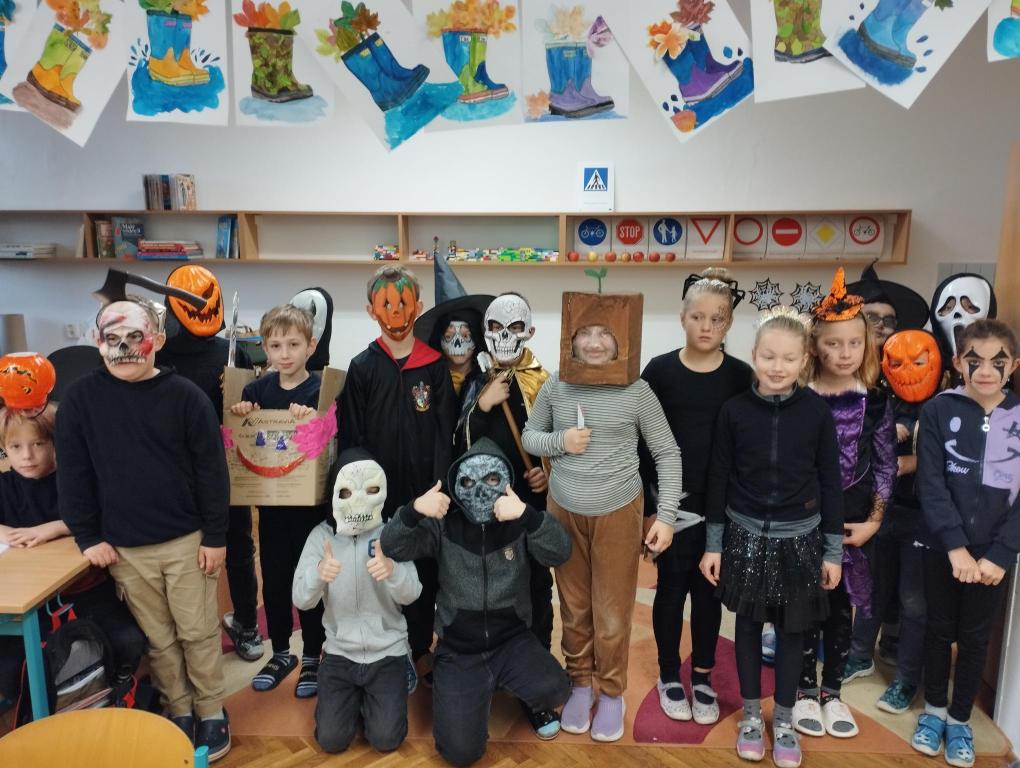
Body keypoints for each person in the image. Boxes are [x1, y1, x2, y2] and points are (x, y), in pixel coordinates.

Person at [57, 294, 231, 760]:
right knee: (159, 638)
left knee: (197, 631)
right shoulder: (80, 402)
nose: (124, 348)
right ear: (96, 341)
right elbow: (73, 475)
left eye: (135, 336)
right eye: (112, 338)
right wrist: (87, 536)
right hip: (125, 549)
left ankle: (210, 708)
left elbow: (213, 473)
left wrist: (216, 536)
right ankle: (179, 707)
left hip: (187, 542)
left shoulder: (186, 398)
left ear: (156, 339)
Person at [522, 291, 682, 743]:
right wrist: (562, 443)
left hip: (617, 510)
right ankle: (579, 683)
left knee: (611, 612)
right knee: (574, 608)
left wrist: (666, 516)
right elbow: (532, 436)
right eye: (585, 333)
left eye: (605, 333)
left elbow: (667, 453)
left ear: (622, 339)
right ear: (570, 339)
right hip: (564, 510)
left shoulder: (637, 391)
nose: (594, 342)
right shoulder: (557, 385)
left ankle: (611, 692)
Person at [701, 305, 843, 768]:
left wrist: (833, 551)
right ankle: (749, 715)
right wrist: (714, 544)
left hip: (800, 541)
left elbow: (830, 483)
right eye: (768, 357)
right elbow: (718, 477)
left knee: (791, 632)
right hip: (744, 536)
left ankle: (782, 720)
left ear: (804, 360)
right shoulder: (734, 411)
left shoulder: (816, 413)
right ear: (754, 356)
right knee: (746, 627)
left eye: (788, 358)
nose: (777, 367)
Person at [380, 438, 571, 767]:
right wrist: (413, 511)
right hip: (459, 650)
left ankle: (496, 683)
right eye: (469, 482)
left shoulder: (517, 522)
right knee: (459, 752)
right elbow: (392, 546)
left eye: (492, 479)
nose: (481, 491)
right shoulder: (443, 528)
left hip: (512, 642)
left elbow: (560, 552)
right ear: (457, 486)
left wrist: (528, 516)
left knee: (556, 689)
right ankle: (473, 691)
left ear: (506, 482)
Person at [640, 269, 751, 725]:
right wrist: (650, 509)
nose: (706, 326)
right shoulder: (659, 371)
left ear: (729, 323)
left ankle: (702, 675)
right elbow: (641, 443)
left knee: (709, 594)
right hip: (671, 505)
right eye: (698, 317)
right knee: (670, 590)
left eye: (717, 318)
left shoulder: (741, 376)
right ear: (682, 317)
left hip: (721, 507)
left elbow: (747, 446)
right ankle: (669, 671)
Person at [337, 266, 456, 683]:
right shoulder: (362, 367)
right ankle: (386, 648)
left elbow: (445, 430)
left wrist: (440, 488)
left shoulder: (434, 366)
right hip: (378, 494)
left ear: (417, 307)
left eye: (403, 303)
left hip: (425, 492)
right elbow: (351, 435)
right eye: (386, 304)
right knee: (381, 565)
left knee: (423, 571)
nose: (395, 312)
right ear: (371, 310)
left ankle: (420, 647)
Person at [911, 319, 1020, 768]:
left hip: (994, 556)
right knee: (938, 630)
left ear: (1014, 365)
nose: (986, 370)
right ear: (958, 362)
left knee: (975, 639)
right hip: (942, 548)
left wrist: (1001, 553)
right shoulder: (937, 410)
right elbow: (931, 482)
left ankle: (959, 720)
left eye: (998, 361)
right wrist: (954, 546)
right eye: (976, 360)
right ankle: (934, 710)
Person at [795, 268, 895, 740]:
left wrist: (874, 521)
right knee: (801, 607)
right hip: (802, 519)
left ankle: (831, 691)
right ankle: (801, 689)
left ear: (866, 345)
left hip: (853, 523)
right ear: (815, 346)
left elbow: (886, 464)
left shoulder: (875, 400)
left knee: (839, 610)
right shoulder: (798, 397)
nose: (844, 353)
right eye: (833, 344)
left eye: (854, 343)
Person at [455, 291, 560, 737]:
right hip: (482, 510)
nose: (504, 336)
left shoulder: (544, 381)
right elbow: (455, 444)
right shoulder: (473, 382)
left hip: (528, 505)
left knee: (535, 590)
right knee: (487, 589)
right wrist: (481, 405)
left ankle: (536, 690)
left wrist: (546, 475)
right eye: (495, 328)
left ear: (529, 332)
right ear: (484, 333)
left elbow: (557, 439)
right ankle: (484, 673)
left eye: (514, 328)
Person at [0, 401, 146, 710]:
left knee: (129, 641)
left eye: (38, 444)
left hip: (86, 592)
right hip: (29, 601)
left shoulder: (76, 480)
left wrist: (53, 528)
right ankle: (44, 706)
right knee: (12, 666)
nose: (27, 456)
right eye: (15, 447)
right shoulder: (5, 486)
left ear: (58, 443)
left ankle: (113, 689)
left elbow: (104, 514)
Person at [156, 265, 263, 663]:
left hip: (225, 468)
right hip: (174, 473)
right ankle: (186, 637)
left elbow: (251, 411)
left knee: (238, 546)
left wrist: (246, 400)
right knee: (181, 555)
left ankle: (246, 624)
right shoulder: (157, 353)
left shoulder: (231, 353)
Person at [292, 449, 422, 754]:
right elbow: (301, 599)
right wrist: (318, 574)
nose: (359, 499)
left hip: (387, 652)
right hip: (340, 654)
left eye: (370, 489)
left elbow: (413, 592)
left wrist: (392, 571)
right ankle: (356, 702)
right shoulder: (321, 537)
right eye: (348, 491)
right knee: (331, 740)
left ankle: (385, 690)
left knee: (387, 739)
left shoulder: (391, 533)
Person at [230, 304, 326, 697]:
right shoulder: (256, 391)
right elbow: (241, 431)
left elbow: (329, 438)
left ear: (310, 346)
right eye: (275, 346)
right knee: (275, 581)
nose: (284, 354)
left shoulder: (319, 390)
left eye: (293, 344)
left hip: (312, 511)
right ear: (264, 348)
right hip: (270, 508)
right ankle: (282, 652)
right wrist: (242, 411)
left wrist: (312, 417)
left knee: (311, 582)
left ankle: (314, 655)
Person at [846, 329, 942, 714]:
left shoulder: (944, 406)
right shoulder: (880, 401)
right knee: (871, 588)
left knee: (913, 602)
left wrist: (913, 461)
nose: (908, 370)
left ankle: (906, 678)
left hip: (925, 516)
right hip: (881, 510)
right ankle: (858, 654)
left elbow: (958, 461)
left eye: (918, 362)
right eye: (898, 363)